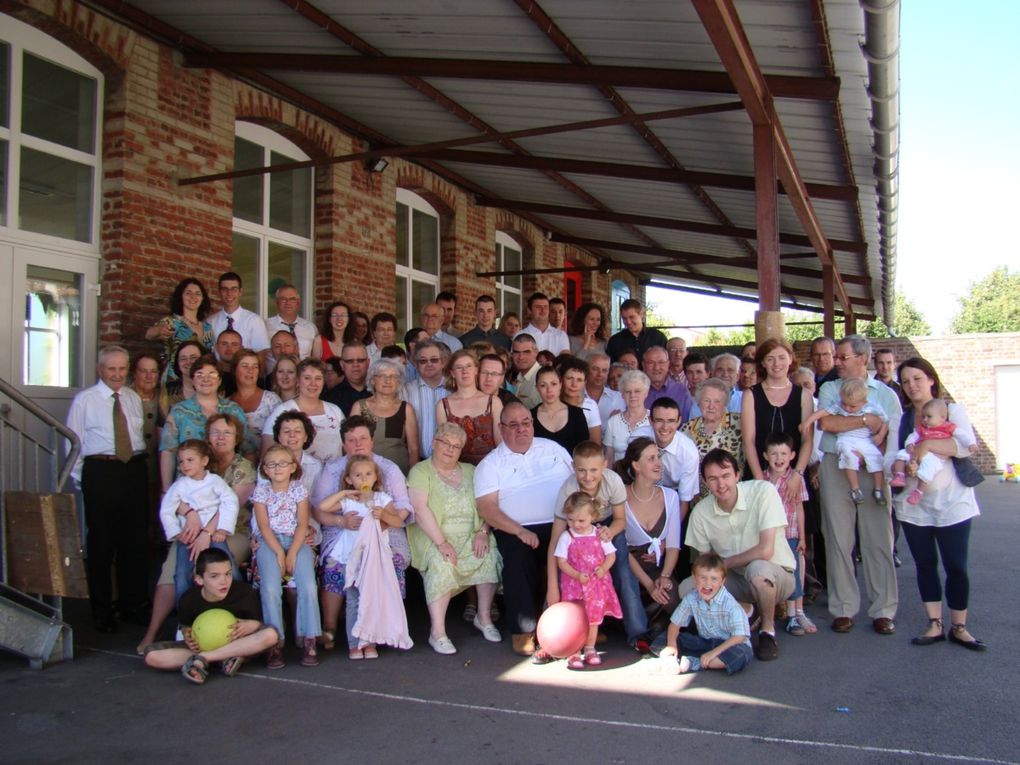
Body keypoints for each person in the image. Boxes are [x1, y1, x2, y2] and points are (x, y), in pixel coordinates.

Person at [893, 357, 984, 650]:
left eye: (917, 378)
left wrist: (926, 445)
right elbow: (892, 455)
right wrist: (901, 465)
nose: (912, 386)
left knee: (956, 565)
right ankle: (934, 623)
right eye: (906, 381)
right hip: (914, 502)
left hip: (952, 501)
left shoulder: (951, 410)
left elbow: (962, 445)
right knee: (925, 564)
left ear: (931, 379)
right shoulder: (903, 417)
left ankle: (960, 625)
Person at [815, 335, 901, 635]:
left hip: (874, 467)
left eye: (842, 357)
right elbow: (827, 425)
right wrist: (867, 421)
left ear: (862, 359)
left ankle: (883, 609)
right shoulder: (829, 388)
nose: (836, 362)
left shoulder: (887, 394)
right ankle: (843, 608)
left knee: (878, 538)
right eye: (836, 357)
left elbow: (892, 432)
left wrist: (861, 425)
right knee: (838, 538)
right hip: (835, 465)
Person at [475, 401, 574, 656]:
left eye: (526, 423)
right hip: (516, 528)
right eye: (513, 425)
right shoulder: (491, 463)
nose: (522, 429)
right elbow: (487, 508)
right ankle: (523, 629)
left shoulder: (553, 448)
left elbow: (578, 482)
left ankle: (583, 623)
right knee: (518, 559)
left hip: (561, 522)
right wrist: (519, 531)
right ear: (501, 428)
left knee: (582, 548)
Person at [311, 416, 415, 654]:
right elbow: (319, 509)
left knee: (394, 559)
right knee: (334, 562)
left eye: (363, 438)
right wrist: (341, 521)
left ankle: (383, 624)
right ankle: (330, 625)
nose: (357, 444)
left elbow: (403, 507)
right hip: (343, 527)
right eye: (351, 440)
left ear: (371, 440)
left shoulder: (387, 468)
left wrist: (383, 524)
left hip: (384, 527)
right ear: (344, 444)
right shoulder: (335, 469)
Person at [66, 345, 151, 633]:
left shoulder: (131, 397)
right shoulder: (85, 400)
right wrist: (84, 481)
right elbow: (73, 443)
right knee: (102, 543)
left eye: (122, 368)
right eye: (111, 368)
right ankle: (102, 611)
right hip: (101, 470)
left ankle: (132, 604)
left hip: (134, 469)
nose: (117, 374)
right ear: (100, 369)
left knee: (135, 540)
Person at [683, 448, 796, 661]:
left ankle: (767, 631)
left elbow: (766, 550)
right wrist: (713, 574)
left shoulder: (763, 491)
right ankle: (742, 611)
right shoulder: (700, 512)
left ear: (737, 474)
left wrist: (723, 564)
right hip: (734, 578)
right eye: (713, 479)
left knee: (758, 570)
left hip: (775, 574)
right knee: (687, 588)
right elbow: (704, 563)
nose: (721, 484)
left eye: (726, 476)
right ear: (706, 482)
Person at [407, 422, 502, 654]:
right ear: (433, 443)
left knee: (488, 551)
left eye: (456, 446)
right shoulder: (421, 471)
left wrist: (483, 531)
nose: (450, 449)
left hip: (471, 532)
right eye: (445, 443)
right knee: (441, 563)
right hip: (434, 534)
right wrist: (441, 542)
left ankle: (484, 617)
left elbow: (489, 503)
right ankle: (437, 632)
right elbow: (420, 509)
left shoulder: (470, 470)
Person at [544, 441, 646, 652]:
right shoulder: (568, 490)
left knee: (624, 573)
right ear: (573, 467)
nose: (588, 477)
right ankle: (546, 640)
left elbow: (620, 520)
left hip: (607, 528)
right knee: (567, 581)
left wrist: (610, 532)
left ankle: (638, 633)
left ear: (604, 466)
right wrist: (552, 587)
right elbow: (555, 542)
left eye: (593, 470)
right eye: (581, 470)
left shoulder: (613, 481)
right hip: (576, 530)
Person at [143, 548, 278, 683]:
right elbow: (185, 627)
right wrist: (187, 635)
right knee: (152, 656)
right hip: (207, 647)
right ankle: (220, 659)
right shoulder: (189, 599)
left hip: (236, 645)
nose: (224, 581)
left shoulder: (244, 593)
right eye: (214, 576)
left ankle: (204, 660)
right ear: (199, 579)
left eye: (228, 574)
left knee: (271, 635)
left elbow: (262, 627)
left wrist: (254, 625)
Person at [252, 443, 321, 669]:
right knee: (270, 589)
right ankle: (274, 641)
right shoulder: (261, 491)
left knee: (308, 586)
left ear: (293, 467)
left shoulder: (299, 490)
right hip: (270, 542)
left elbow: (302, 524)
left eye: (283, 463)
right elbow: (263, 526)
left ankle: (309, 637)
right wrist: (280, 553)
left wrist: (292, 552)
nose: (277, 468)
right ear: (265, 470)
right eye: (271, 464)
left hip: (296, 540)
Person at [617, 437, 683, 643]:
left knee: (673, 600)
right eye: (651, 458)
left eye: (658, 457)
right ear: (636, 465)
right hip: (631, 569)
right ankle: (648, 628)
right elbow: (622, 549)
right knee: (629, 598)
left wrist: (664, 576)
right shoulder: (620, 497)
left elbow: (673, 545)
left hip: (659, 567)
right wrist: (648, 584)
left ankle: (659, 628)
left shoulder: (670, 496)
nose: (658, 463)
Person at [159, 439, 238, 602]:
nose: (185, 465)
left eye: (190, 460)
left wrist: (223, 528)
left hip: (213, 533)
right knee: (182, 572)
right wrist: (176, 532)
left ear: (204, 461)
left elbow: (230, 501)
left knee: (227, 564)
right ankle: (185, 614)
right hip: (188, 535)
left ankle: (237, 603)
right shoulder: (179, 485)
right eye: (181, 461)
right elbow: (166, 508)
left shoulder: (215, 481)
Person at [160, 355, 254, 492]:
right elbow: (168, 451)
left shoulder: (234, 410)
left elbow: (248, 449)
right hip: (189, 486)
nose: (206, 379)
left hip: (230, 483)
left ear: (220, 380)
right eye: (199, 374)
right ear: (192, 380)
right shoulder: (179, 411)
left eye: (212, 374)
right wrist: (166, 490)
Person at [554, 492, 623, 668]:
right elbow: (561, 561)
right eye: (570, 520)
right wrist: (576, 574)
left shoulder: (599, 534)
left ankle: (590, 647)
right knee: (576, 617)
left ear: (592, 516)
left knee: (593, 618)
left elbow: (611, 555)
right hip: (574, 586)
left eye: (581, 521)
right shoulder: (566, 537)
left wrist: (603, 568)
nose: (575, 525)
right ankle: (574, 650)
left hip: (596, 584)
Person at [659, 552, 753, 676]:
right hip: (705, 642)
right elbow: (675, 624)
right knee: (663, 637)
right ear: (694, 578)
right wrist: (672, 645)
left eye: (714, 579)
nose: (707, 584)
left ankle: (695, 663)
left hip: (729, 645)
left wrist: (713, 653)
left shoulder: (730, 604)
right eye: (703, 578)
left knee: (741, 655)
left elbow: (739, 637)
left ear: (722, 581)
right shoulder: (692, 597)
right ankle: (673, 657)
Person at [741, 337, 812, 490]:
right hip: (759, 471)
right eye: (770, 359)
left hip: (794, 473)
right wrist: (760, 480)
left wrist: (797, 475)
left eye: (781, 358)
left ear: (790, 359)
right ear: (762, 362)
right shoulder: (750, 395)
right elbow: (748, 441)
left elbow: (807, 440)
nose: (776, 364)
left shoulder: (804, 395)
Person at [761, 433, 814, 636]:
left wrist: (802, 537)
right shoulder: (762, 480)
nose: (779, 458)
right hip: (769, 536)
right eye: (774, 454)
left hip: (790, 534)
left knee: (793, 574)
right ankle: (768, 613)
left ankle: (794, 615)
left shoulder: (795, 480)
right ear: (765, 455)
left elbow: (799, 508)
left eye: (783, 453)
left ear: (792, 455)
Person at [804, 377, 889, 504]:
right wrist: (808, 422)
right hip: (845, 439)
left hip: (865, 439)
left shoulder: (871, 407)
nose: (847, 408)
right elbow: (822, 412)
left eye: (852, 406)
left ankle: (878, 489)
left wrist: (881, 435)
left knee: (876, 458)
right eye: (845, 404)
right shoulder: (839, 405)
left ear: (863, 401)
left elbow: (885, 422)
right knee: (848, 458)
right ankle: (855, 489)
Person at [262, 358, 345, 463]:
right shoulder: (283, 411)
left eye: (318, 378)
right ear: (298, 381)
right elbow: (267, 454)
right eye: (307, 378)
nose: (313, 383)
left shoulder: (335, 410)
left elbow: (346, 447)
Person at [351, 357, 419, 474]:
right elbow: (350, 443)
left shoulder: (406, 409)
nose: (388, 381)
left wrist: (412, 478)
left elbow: (414, 449)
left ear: (398, 381)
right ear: (372, 380)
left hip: (399, 473)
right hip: (366, 474)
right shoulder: (359, 407)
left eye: (393, 376)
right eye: (382, 376)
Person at [435, 349, 502, 465]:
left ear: (476, 370)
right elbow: (444, 447)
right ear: (452, 373)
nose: (464, 371)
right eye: (459, 367)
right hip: (457, 471)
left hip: (490, 469)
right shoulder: (443, 406)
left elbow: (501, 444)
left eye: (469, 366)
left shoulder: (493, 402)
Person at [682, 378, 744, 502]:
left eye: (717, 401)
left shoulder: (739, 423)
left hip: (733, 497)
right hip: (700, 501)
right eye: (706, 400)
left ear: (725, 403)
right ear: (698, 402)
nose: (711, 406)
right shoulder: (687, 429)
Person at [145, 277, 214, 383]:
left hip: (201, 381)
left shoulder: (207, 327)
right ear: (180, 297)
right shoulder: (172, 321)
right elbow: (148, 335)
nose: (193, 297)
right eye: (188, 293)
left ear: (203, 298)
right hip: (175, 381)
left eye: (197, 293)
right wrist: (160, 330)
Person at [890, 398, 956, 504]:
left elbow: (961, 439)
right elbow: (912, 436)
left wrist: (970, 444)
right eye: (923, 416)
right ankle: (899, 475)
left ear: (942, 418)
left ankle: (919, 491)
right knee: (901, 454)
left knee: (928, 470)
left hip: (934, 457)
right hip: (915, 452)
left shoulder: (947, 427)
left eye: (929, 417)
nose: (925, 420)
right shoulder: (921, 428)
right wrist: (909, 444)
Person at [403, 339, 450, 459]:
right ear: (416, 364)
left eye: (434, 360)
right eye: (423, 361)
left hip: (449, 460)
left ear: (443, 362)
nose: (429, 364)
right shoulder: (406, 391)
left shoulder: (454, 389)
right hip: (416, 460)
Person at [532, 366, 590, 455]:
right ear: (537, 388)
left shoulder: (576, 414)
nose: (549, 390)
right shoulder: (530, 416)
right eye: (543, 385)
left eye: (554, 384)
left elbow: (584, 450)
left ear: (560, 385)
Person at [208, 272, 270, 353]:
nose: (229, 293)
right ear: (219, 292)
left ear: (240, 292)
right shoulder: (210, 322)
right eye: (225, 289)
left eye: (234, 289)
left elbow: (261, 354)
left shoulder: (254, 321)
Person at [602, 369, 653, 462]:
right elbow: (609, 457)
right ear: (622, 395)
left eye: (637, 391)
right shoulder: (613, 421)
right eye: (628, 391)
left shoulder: (654, 420)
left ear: (646, 393)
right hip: (618, 475)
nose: (632, 395)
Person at [230, 348, 282, 435]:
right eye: (245, 366)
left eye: (255, 366)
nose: (250, 371)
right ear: (235, 370)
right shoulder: (226, 402)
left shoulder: (271, 400)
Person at [265, 284, 317, 359]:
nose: (288, 302)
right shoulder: (265, 326)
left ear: (298, 303)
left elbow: (315, 357)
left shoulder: (311, 328)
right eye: (283, 299)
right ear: (277, 302)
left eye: (292, 299)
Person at [642, 346, 693, 422]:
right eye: (651, 363)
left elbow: (686, 425)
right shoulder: (635, 392)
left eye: (661, 362)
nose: (656, 367)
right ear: (643, 365)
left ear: (668, 364)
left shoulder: (682, 392)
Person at [558, 356, 602, 443]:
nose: (574, 384)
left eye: (579, 380)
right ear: (561, 379)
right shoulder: (552, 403)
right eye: (570, 378)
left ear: (585, 383)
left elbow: (595, 444)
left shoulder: (590, 406)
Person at [323, 341, 372, 416]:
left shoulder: (379, 393)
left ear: (368, 363)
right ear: (342, 365)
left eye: (360, 360)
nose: (355, 365)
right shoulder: (329, 399)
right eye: (349, 361)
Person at [159, 340, 204, 419]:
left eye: (193, 357)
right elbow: (161, 425)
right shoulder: (169, 390)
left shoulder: (215, 388)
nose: (188, 362)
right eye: (183, 359)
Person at [586, 352, 624, 427]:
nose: (600, 374)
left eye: (604, 370)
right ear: (586, 370)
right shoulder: (576, 394)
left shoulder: (618, 397)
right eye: (595, 369)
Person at [510, 333, 542, 409]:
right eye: (516, 352)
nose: (521, 357)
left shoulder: (542, 378)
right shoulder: (519, 376)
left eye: (526, 352)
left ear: (536, 352)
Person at [213, 329, 243, 396]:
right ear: (216, 347)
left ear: (241, 348)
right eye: (224, 344)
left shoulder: (248, 375)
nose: (229, 348)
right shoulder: (210, 375)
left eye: (234, 344)